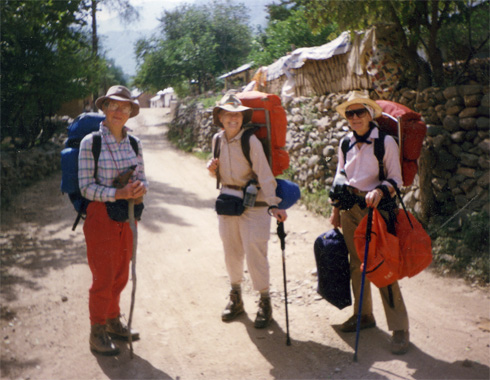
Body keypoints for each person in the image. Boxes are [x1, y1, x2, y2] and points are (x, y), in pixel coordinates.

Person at [329, 91, 410, 355]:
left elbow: (396, 179)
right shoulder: (345, 143)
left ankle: (399, 328)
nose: (354, 118)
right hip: (349, 207)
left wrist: (379, 190)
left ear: (370, 114)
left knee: (382, 264)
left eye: (359, 112)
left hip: (375, 209)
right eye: (350, 114)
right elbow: (341, 175)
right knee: (356, 264)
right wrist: (335, 210)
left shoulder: (384, 142)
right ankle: (363, 316)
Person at [207, 93, 287, 329]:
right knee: (231, 252)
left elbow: (263, 172)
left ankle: (264, 302)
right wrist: (211, 169)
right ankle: (236, 298)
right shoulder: (217, 140)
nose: (233, 118)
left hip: (256, 202)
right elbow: (217, 171)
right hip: (228, 200)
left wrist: (274, 204)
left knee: (255, 252)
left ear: (242, 117)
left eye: (237, 114)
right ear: (220, 117)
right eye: (228, 114)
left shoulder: (250, 140)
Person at [79, 85, 148, 356]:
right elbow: (85, 187)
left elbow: (143, 177)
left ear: (131, 111)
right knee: (104, 276)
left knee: (120, 273)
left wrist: (140, 188)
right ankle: (96, 331)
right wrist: (117, 192)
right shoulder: (91, 143)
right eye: (114, 105)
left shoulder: (135, 143)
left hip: (128, 215)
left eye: (125, 106)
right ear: (105, 108)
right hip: (101, 216)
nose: (119, 111)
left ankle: (112, 320)